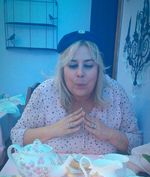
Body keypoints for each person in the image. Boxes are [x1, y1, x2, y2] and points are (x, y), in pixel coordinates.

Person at [11, 30, 142, 154]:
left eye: (89, 65)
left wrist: (109, 133)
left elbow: (136, 143)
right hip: (53, 175)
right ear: (62, 69)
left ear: (98, 69)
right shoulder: (44, 92)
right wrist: (53, 130)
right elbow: (16, 136)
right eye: (72, 65)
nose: (80, 73)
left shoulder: (115, 92)